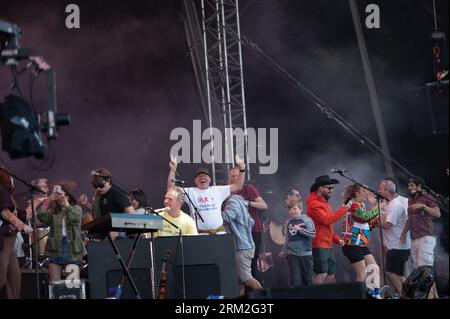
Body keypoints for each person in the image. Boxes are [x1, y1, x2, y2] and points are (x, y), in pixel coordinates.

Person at [167, 154, 245, 233]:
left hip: (219, 233)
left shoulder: (218, 190)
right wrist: (173, 170)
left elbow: (238, 186)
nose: (202, 177)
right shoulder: (190, 191)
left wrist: (242, 170)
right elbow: (171, 189)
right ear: (195, 181)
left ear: (210, 179)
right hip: (201, 234)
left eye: (205, 175)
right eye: (199, 176)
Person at [37, 181, 87, 282]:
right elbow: (41, 216)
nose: (58, 197)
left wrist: (65, 202)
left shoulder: (76, 208)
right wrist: (49, 200)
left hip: (72, 249)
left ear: (67, 195)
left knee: (72, 284)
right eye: (57, 194)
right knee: (55, 284)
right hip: (55, 248)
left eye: (60, 194)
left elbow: (75, 217)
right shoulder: (53, 211)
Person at [401, 176, 441, 298]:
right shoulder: (410, 200)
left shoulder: (427, 197)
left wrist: (422, 206)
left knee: (425, 272)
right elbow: (410, 219)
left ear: (419, 186)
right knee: (422, 273)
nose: (409, 188)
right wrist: (403, 233)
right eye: (408, 185)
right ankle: (436, 296)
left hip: (426, 237)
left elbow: (437, 213)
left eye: (412, 185)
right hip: (414, 238)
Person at [341, 184, 381, 298]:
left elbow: (368, 224)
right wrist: (377, 207)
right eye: (364, 190)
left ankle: (374, 294)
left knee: (373, 268)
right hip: (352, 244)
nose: (367, 192)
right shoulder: (352, 205)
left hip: (361, 243)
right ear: (357, 193)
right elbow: (364, 217)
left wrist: (375, 206)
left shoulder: (361, 205)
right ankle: (360, 295)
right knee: (362, 274)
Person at [306, 175, 348, 284]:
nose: (331, 190)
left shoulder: (325, 204)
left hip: (327, 244)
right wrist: (344, 209)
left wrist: (336, 239)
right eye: (329, 188)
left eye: (332, 188)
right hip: (319, 244)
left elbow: (327, 226)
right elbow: (326, 220)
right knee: (321, 273)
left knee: (330, 275)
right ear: (320, 188)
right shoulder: (314, 204)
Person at [229, 167, 268, 282]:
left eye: (237, 176)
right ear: (229, 178)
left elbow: (264, 205)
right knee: (238, 265)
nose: (235, 178)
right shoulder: (227, 191)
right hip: (236, 232)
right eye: (232, 176)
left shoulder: (248, 188)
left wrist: (247, 203)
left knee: (251, 264)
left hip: (253, 230)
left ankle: (254, 294)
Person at [0, 168, 33, 298]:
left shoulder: (7, 195)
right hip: (3, 242)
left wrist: (45, 202)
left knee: (13, 281)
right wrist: (22, 225)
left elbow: (21, 213)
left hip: (10, 244)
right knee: (2, 278)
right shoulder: (1, 190)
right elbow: (4, 212)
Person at [222, 194, 262, 294]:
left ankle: (266, 297)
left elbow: (226, 217)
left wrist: (212, 212)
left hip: (242, 247)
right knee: (243, 280)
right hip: (246, 245)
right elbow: (251, 221)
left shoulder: (232, 202)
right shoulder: (240, 202)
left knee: (247, 279)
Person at [378, 178, 411, 295]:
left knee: (391, 272)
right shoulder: (391, 203)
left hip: (397, 246)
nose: (379, 191)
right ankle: (410, 294)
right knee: (400, 274)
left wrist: (380, 211)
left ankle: (404, 295)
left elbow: (386, 225)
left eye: (381, 189)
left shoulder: (395, 205)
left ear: (388, 191)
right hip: (398, 246)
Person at [89, 168, 134, 239]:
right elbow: (95, 214)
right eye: (95, 186)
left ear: (109, 181)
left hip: (117, 235)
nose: (98, 189)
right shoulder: (99, 195)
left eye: (101, 186)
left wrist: (118, 229)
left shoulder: (117, 193)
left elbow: (131, 214)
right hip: (103, 233)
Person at [279, 202, 316, 287]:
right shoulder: (289, 222)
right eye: (290, 209)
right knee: (295, 280)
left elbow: (313, 234)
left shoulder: (306, 219)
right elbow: (287, 238)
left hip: (305, 253)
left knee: (307, 280)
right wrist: (283, 250)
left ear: (301, 209)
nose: (292, 211)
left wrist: (300, 229)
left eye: (294, 209)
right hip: (292, 254)